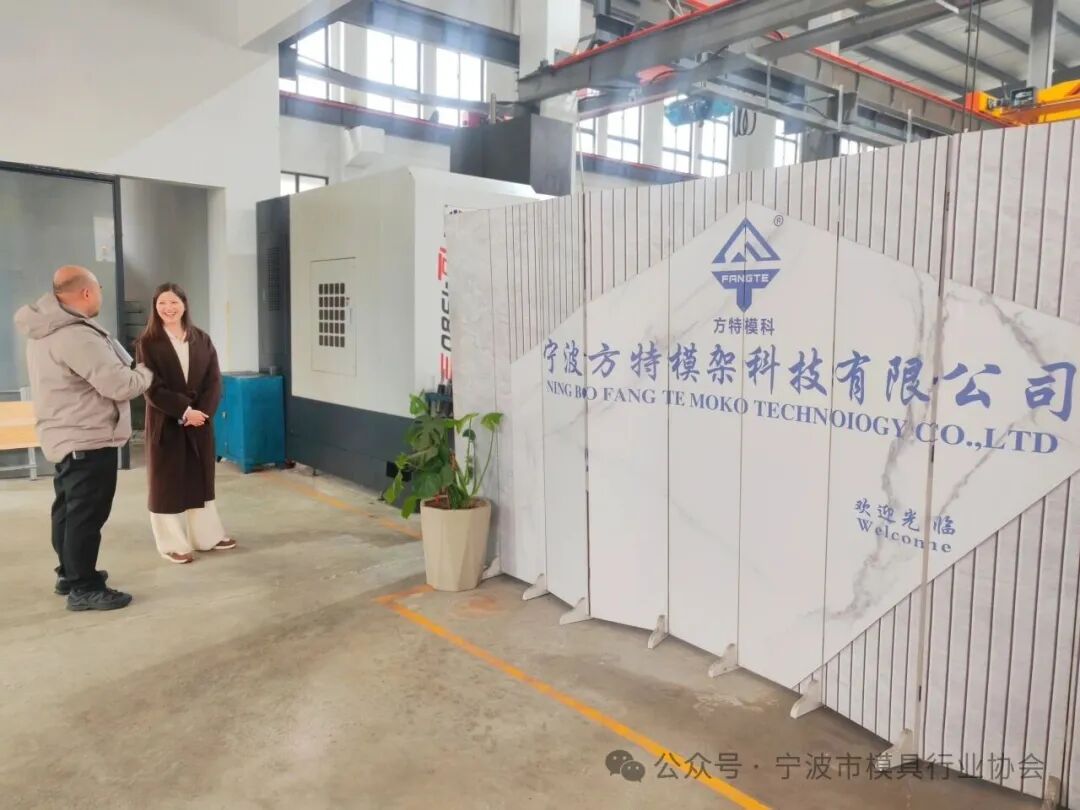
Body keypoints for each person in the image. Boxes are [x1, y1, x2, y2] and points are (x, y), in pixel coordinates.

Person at [14, 265, 153, 611]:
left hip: (64, 435)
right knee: (86, 516)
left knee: (68, 510)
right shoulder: (76, 335)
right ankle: (84, 588)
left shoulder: (44, 328)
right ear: (87, 292)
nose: (100, 296)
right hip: (88, 437)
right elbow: (120, 384)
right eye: (99, 290)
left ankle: (70, 574)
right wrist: (146, 371)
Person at [136, 283, 235, 563]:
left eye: (173, 302)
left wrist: (201, 413)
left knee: (200, 478)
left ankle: (206, 537)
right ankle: (171, 544)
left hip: (199, 422)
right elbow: (151, 386)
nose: (168, 308)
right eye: (162, 303)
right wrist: (184, 410)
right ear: (155, 307)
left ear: (184, 304)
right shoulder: (147, 343)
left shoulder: (201, 339)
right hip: (166, 421)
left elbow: (214, 381)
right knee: (164, 483)